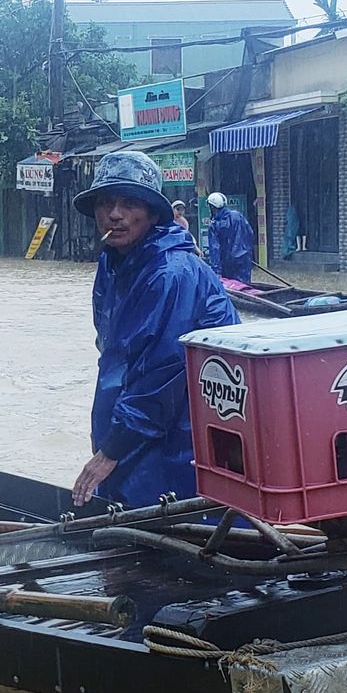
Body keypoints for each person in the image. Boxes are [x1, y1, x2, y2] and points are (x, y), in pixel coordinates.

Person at [70, 152, 238, 509]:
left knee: (167, 516)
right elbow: (112, 353)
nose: (115, 214)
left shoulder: (171, 273)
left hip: (181, 428)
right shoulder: (112, 263)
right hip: (132, 421)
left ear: (151, 213)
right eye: (106, 203)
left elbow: (162, 374)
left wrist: (111, 449)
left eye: (129, 203)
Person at [205, 191, 254, 283]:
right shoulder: (238, 216)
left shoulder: (214, 225)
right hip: (244, 260)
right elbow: (250, 234)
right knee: (245, 288)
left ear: (212, 207)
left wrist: (216, 271)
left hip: (228, 264)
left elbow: (215, 249)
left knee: (232, 289)